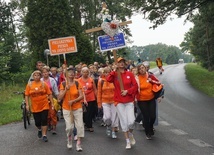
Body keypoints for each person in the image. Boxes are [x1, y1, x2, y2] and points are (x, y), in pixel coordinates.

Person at [106, 57, 138, 149]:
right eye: (119, 62)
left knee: (131, 121)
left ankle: (130, 133)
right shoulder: (115, 74)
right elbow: (108, 79)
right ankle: (127, 141)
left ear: (125, 63)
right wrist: (113, 70)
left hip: (129, 100)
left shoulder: (130, 74)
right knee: (124, 121)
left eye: (123, 62)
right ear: (117, 64)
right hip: (119, 101)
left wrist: (127, 91)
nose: (121, 64)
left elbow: (135, 86)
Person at [58, 68, 84, 151]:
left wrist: (74, 101)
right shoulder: (63, 83)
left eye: (73, 73)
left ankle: (78, 144)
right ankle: (69, 139)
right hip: (67, 108)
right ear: (66, 74)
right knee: (69, 128)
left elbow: (81, 96)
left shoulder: (77, 83)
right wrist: (66, 89)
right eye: (70, 73)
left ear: (75, 74)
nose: (71, 74)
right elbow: (59, 98)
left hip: (77, 107)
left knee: (79, 126)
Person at [25, 70, 54, 142]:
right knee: (37, 122)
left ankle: (44, 135)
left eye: (38, 75)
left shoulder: (44, 84)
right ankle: (39, 129)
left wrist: (52, 104)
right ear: (33, 76)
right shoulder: (30, 85)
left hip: (44, 105)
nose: (36, 77)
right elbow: (26, 95)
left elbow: (49, 94)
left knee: (44, 120)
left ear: (40, 76)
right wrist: (27, 105)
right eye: (35, 75)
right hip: (35, 106)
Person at [136, 64, 162, 140]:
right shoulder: (137, 78)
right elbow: (134, 87)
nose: (142, 69)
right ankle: (148, 133)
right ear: (138, 70)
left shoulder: (150, 76)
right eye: (140, 69)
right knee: (146, 117)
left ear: (145, 68)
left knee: (153, 116)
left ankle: (150, 127)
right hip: (141, 100)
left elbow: (159, 83)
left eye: (143, 68)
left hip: (151, 98)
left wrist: (152, 81)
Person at [97, 67, 119, 139]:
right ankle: (108, 126)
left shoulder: (114, 80)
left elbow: (118, 90)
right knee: (107, 117)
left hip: (114, 101)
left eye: (108, 72)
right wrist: (99, 103)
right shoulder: (101, 81)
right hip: (105, 101)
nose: (107, 74)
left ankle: (113, 131)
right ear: (103, 73)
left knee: (114, 117)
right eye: (105, 72)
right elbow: (99, 92)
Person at [78, 67, 97, 132]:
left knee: (90, 112)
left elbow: (94, 89)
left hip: (91, 98)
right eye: (84, 72)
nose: (85, 73)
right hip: (82, 98)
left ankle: (90, 125)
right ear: (81, 72)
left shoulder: (91, 80)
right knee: (84, 113)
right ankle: (86, 123)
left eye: (86, 72)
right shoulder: (78, 80)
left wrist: (97, 98)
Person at [41, 66, 59, 134]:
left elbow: (55, 90)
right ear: (42, 74)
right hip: (43, 100)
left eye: (46, 72)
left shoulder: (52, 80)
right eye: (43, 72)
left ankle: (54, 127)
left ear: (49, 72)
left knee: (53, 113)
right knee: (46, 114)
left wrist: (58, 98)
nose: (45, 73)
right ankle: (48, 124)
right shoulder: (40, 81)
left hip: (52, 99)